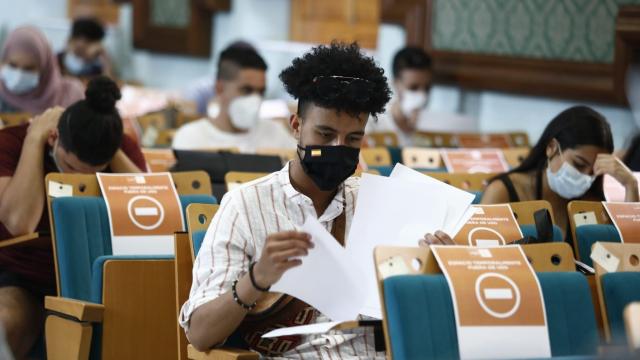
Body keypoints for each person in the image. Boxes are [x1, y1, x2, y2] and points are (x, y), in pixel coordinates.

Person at [180, 42, 392, 358]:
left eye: (352, 139)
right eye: (324, 135)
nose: (337, 147)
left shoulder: (377, 205)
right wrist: (257, 278)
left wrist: (429, 270)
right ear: (296, 126)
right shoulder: (245, 206)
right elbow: (200, 334)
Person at [0, 76, 146, 358]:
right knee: (6, 320)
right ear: (54, 137)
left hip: (102, 281)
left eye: (92, 172)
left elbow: (150, 214)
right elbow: (19, 222)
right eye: (70, 166)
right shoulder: (12, 142)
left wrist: (112, 146)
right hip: (26, 278)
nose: (79, 179)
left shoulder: (121, 149)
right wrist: (34, 140)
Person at [481, 105, 639, 235]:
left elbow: (625, 256)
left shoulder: (591, 202)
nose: (585, 177)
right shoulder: (503, 191)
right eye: (578, 164)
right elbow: (481, 250)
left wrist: (631, 185)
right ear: (552, 148)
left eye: (594, 171)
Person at [172, 44, 295, 152]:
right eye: (247, 90)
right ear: (220, 88)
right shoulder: (191, 139)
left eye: (261, 92)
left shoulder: (277, 136)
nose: (255, 99)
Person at [0, 26, 84, 114]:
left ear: (45, 69)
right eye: (13, 65)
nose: (19, 75)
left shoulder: (71, 95)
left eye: (29, 68)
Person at [366, 46, 432, 145]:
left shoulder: (429, 125)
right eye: (413, 88)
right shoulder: (372, 121)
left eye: (427, 88)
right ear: (395, 84)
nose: (422, 95)